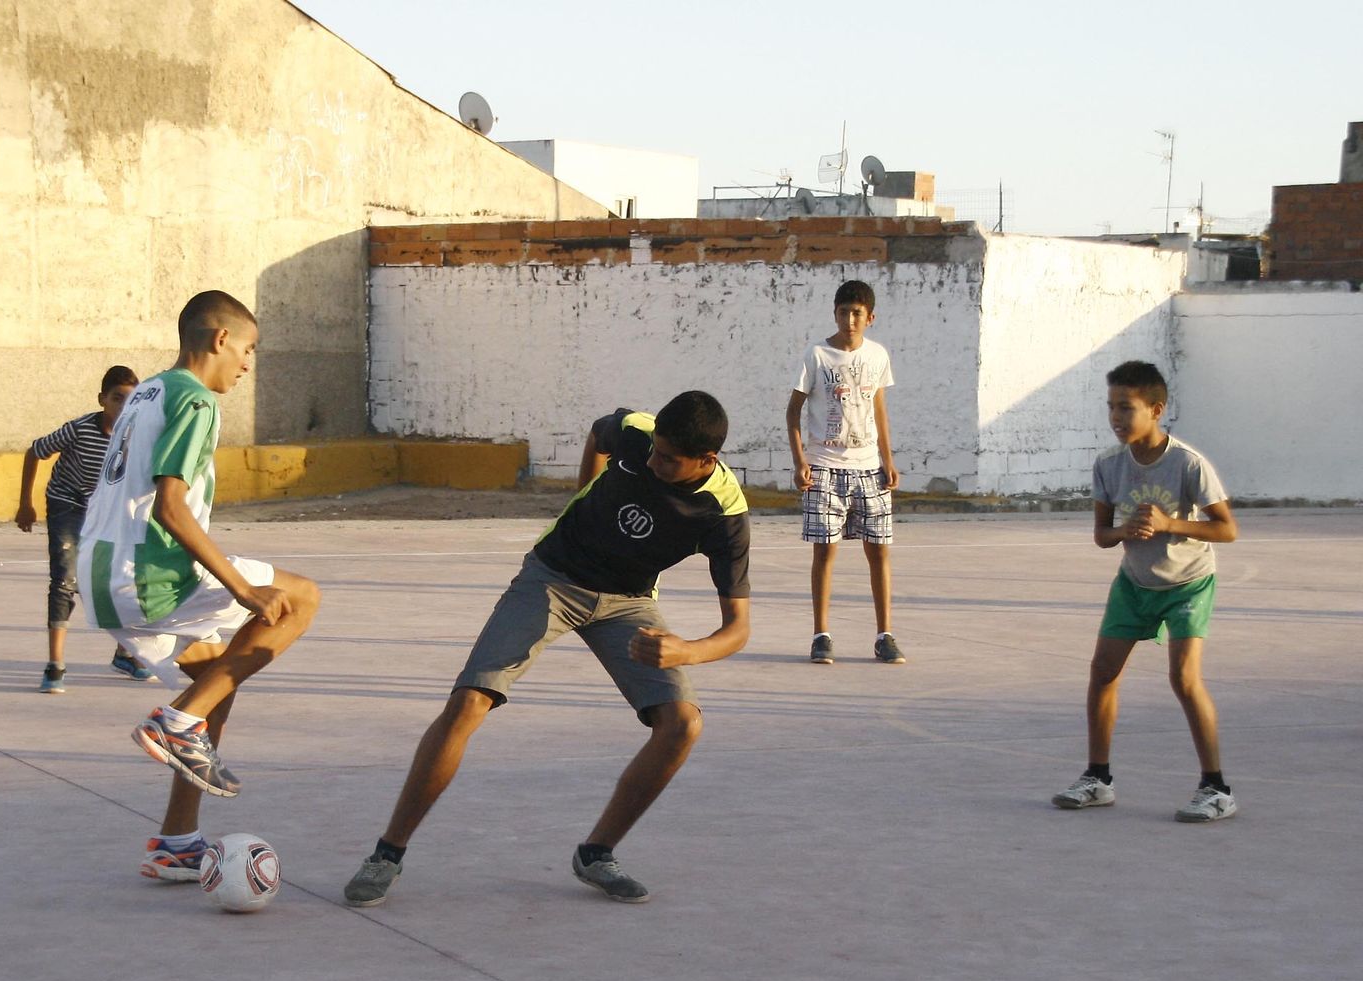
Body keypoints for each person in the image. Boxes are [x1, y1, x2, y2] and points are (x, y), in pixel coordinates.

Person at [343, 391, 751, 907]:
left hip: (628, 603)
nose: (654, 461)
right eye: (654, 450)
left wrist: (685, 651)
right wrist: (585, 495)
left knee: (683, 724)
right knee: (470, 701)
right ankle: (386, 854)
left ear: (707, 461)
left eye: (668, 459)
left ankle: (597, 853)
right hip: (552, 580)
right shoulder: (637, 431)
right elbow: (599, 433)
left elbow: (738, 630)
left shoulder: (724, 511)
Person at [77, 290, 322, 880]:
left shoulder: (151, 390)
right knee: (300, 598)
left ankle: (177, 844)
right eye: (248, 349)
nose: (246, 364)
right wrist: (240, 587)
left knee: (219, 677)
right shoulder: (196, 400)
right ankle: (177, 723)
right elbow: (171, 506)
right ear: (220, 340)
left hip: (102, 571)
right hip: (145, 573)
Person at [1052, 360, 1239, 822]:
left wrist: (1170, 523)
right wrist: (1125, 531)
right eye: (1111, 407)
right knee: (1103, 673)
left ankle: (1216, 788)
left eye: (1127, 408)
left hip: (1187, 583)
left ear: (1156, 409)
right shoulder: (1108, 464)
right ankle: (1098, 778)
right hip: (1134, 583)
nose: (1116, 417)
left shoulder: (1188, 463)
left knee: (1184, 678)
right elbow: (1101, 535)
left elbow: (1227, 529)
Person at [785, 279, 904, 666]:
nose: (849, 320)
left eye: (857, 313)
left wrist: (888, 459)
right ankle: (822, 635)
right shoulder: (816, 355)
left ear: (870, 317)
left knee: (879, 553)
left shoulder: (878, 356)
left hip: (869, 469)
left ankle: (884, 635)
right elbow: (793, 412)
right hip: (825, 468)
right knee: (824, 553)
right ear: (834, 314)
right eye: (843, 312)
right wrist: (801, 461)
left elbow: (879, 410)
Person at [16, 365, 153, 693]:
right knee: (65, 579)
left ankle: (125, 654)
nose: (123, 407)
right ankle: (55, 665)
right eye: (117, 399)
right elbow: (35, 451)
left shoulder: (136, 436)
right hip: (67, 503)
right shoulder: (79, 429)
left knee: (122, 580)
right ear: (102, 399)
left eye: (131, 401)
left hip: (105, 510)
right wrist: (25, 503)